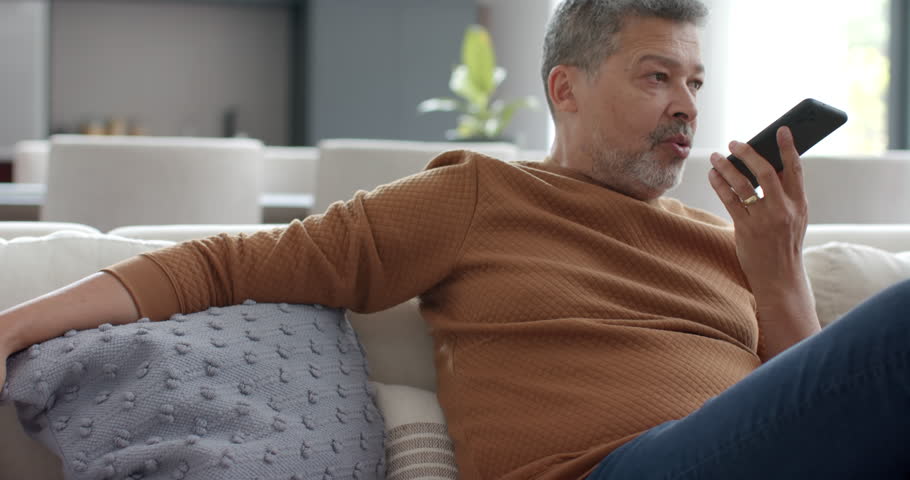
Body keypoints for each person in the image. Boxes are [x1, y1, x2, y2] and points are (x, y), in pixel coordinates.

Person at [2, 0, 908, 478]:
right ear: (566, 89)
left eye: (696, 80)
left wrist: (779, 267)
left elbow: (817, 420)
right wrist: (12, 324)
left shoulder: (726, 241)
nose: (686, 105)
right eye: (656, 75)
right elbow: (225, 262)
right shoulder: (481, 196)